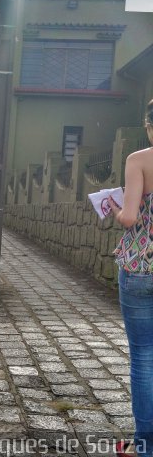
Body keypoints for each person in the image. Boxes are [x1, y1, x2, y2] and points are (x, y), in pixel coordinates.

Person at [108, 99, 153, 457]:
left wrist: (113, 207)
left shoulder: (139, 160)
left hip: (140, 265)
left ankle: (144, 445)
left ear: (149, 125)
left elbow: (130, 218)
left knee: (143, 356)